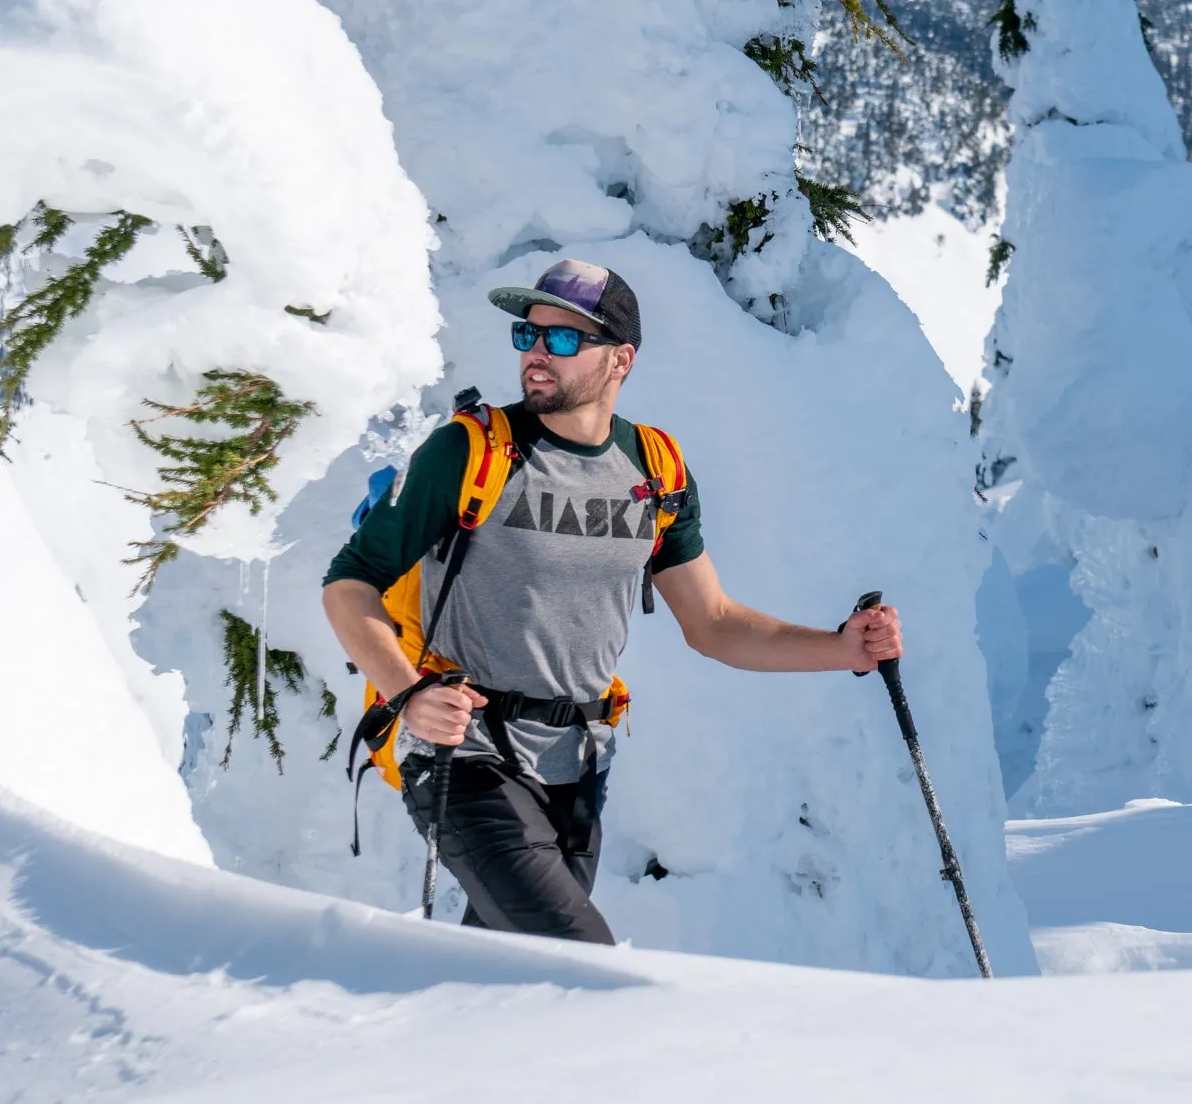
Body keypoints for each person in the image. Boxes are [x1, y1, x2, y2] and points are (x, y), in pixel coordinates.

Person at [321, 259, 903, 944]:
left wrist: (842, 648)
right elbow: (349, 583)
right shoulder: (470, 452)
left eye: (563, 340)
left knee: (513, 984)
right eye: (528, 334)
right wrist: (407, 692)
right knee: (583, 958)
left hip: (577, 773)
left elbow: (714, 623)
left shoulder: (654, 469)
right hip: (466, 756)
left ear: (620, 358)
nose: (537, 354)